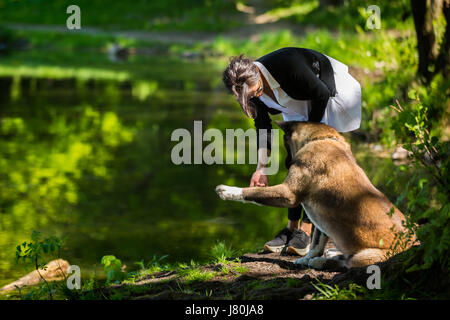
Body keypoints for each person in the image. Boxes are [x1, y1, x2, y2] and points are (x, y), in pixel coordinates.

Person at [222, 47, 361, 256]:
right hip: (296, 104)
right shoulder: (248, 89)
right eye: (250, 97)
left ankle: (307, 231)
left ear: (257, 75)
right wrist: (262, 168)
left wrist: (309, 139)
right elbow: (263, 128)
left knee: (311, 165)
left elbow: (321, 92)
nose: (256, 97)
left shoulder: (288, 66)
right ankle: (291, 229)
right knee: (292, 162)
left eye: (257, 91)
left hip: (329, 95)